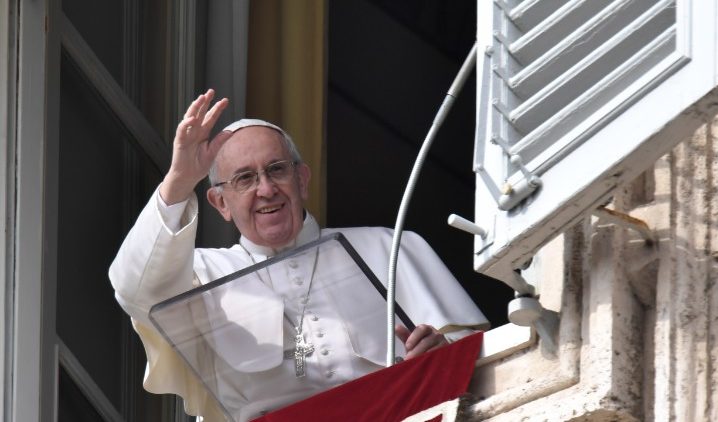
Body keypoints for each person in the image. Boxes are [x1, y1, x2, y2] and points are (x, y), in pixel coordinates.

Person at [109, 89, 488, 421]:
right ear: (220, 202)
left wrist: (440, 352)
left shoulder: (387, 248)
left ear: (302, 180)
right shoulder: (202, 275)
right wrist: (178, 181)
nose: (266, 189)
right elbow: (135, 290)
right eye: (244, 179)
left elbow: (478, 364)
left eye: (277, 170)